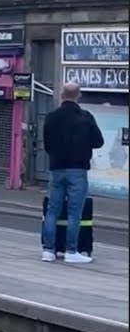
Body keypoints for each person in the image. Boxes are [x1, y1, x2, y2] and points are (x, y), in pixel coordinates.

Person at [41, 82, 104, 263]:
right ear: (79, 96)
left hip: (56, 168)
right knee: (74, 212)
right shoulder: (85, 117)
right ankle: (71, 251)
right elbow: (98, 142)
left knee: (52, 211)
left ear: (61, 95)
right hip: (78, 169)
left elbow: (47, 143)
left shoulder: (51, 117)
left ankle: (48, 251)